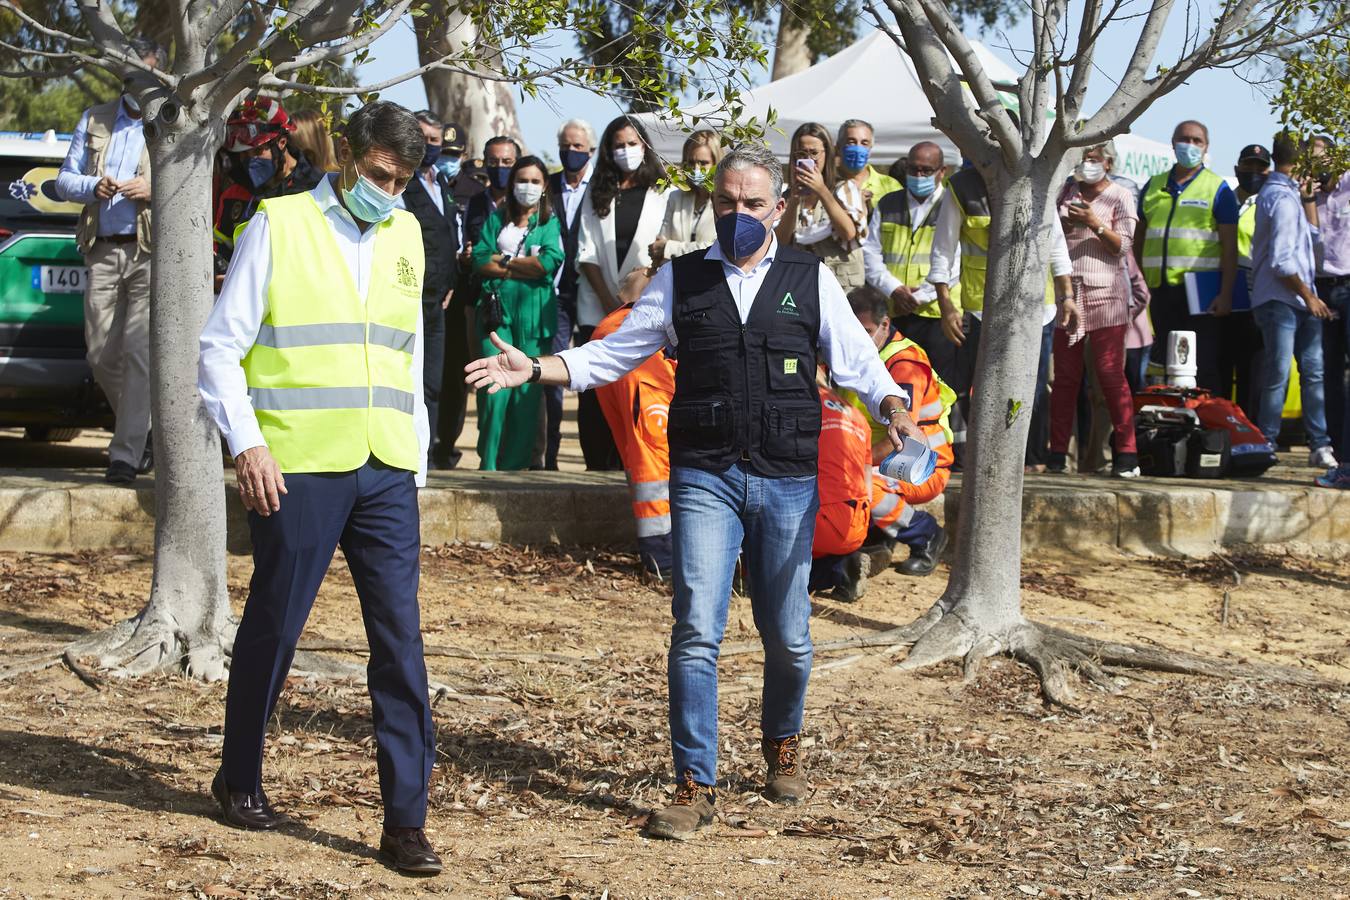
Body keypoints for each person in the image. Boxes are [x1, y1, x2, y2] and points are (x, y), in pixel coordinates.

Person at [465, 144, 922, 840]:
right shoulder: (680, 281)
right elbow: (612, 354)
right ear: (713, 204)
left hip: (788, 477)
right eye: (727, 202)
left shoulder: (810, 276)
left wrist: (894, 407)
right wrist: (539, 367)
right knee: (696, 631)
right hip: (706, 474)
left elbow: (860, 365)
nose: (739, 214)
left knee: (790, 638)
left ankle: (782, 743)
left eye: (752, 203)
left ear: (779, 207)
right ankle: (693, 783)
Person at [197, 101, 441, 875]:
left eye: (402, 182)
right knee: (276, 622)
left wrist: (417, 459)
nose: (389, 191)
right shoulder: (279, 222)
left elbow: (410, 354)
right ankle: (238, 777)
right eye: (378, 176)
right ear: (347, 154)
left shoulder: (407, 232)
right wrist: (249, 444)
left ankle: (405, 821)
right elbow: (219, 347)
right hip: (297, 464)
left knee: (400, 640)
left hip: (385, 468)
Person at [55, 38, 164, 485]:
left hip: (146, 250)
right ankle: (147, 429)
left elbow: (193, 181)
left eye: (151, 73)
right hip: (101, 246)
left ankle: (123, 456)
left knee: (139, 354)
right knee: (99, 353)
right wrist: (91, 188)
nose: (143, 81)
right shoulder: (94, 118)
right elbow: (64, 180)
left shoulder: (168, 121)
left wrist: (151, 188)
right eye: (136, 74)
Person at [928, 153, 1075, 470]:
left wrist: (1067, 295)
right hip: (984, 306)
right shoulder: (961, 188)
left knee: (1033, 387)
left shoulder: (1039, 181)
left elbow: (1056, 242)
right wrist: (945, 305)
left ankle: (1030, 459)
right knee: (985, 386)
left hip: (1038, 305)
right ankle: (991, 456)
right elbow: (942, 250)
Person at [575, 116, 670, 470]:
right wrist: (609, 301)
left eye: (632, 143)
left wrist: (632, 302)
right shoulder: (596, 192)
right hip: (597, 307)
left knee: (635, 388)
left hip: (645, 307)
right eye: (618, 144)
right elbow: (585, 252)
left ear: (645, 146)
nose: (625, 151)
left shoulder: (662, 192)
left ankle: (634, 461)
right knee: (593, 390)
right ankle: (596, 465)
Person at [839, 286, 954, 577]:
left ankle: (925, 534)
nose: (857, 339)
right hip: (880, 456)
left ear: (885, 325)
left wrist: (858, 462)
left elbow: (902, 440)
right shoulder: (853, 351)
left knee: (860, 482)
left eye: (865, 330)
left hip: (922, 463)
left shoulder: (904, 363)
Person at [1049, 141, 1141, 477]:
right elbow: (1052, 235)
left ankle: (1127, 454)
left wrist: (1094, 222)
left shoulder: (1120, 195)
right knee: (1065, 380)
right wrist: (1071, 223)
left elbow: (1124, 247)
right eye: (1083, 158)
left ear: (1108, 161)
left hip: (1107, 297)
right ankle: (1058, 454)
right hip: (1069, 295)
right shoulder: (1065, 191)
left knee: (1110, 375)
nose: (1088, 164)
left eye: (1094, 159)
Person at [1251, 133, 1338, 470]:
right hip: (1282, 300)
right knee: (1279, 373)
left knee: (1312, 373)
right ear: (1300, 161)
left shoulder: (1290, 197)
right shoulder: (1280, 199)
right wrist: (1311, 297)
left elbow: (1312, 249)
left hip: (1297, 300)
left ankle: (1319, 443)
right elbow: (1282, 262)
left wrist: (1309, 202)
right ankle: (1267, 442)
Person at [472, 156, 564, 470]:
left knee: (526, 396)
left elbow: (547, 264)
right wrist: (522, 267)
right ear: (512, 184)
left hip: (536, 319)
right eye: (522, 180)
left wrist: (505, 263)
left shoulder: (549, 221)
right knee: (492, 391)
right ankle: (489, 464)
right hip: (497, 317)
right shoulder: (498, 217)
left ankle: (514, 467)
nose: (528, 187)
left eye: (535, 181)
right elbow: (480, 260)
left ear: (544, 186)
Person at [1135, 120, 1240, 392]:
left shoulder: (1219, 189)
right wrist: (1138, 280)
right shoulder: (1152, 186)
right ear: (1173, 143)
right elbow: (1140, 237)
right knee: (1164, 366)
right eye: (1185, 139)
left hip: (1202, 295)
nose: (1190, 146)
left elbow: (1230, 247)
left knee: (1202, 367)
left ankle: (1205, 430)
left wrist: (1226, 294)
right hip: (1159, 292)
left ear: (1206, 148)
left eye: (1197, 141)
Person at [432, 134, 509, 469]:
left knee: (492, 376)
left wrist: (480, 257)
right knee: (454, 378)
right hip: (460, 298)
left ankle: (501, 454)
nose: (446, 158)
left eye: (452, 152)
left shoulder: (471, 190)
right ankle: (445, 446)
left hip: (492, 298)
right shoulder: (461, 195)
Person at [593, 285, 677, 578]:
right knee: (652, 452)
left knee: (641, 449)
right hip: (641, 346)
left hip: (622, 334)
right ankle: (662, 558)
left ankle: (662, 553)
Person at [862, 140, 960, 388]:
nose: (918, 175)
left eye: (926, 170)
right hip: (894, 309)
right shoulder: (888, 203)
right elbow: (870, 253)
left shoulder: (954, 204)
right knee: (893, 380)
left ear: (942, 171)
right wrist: (894, 289)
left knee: (939, 385)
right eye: (913, 169)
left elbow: (957, 260)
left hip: (937, 314)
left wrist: (922, 296)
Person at [401, 110, 460, 468]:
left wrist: (451, 282)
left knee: (433, 382)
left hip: (438, 301)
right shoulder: (400, 182)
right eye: (422, 138)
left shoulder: (442, 184)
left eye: (435, 141)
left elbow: (448, 238)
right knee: (408, 380)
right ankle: (406, 455)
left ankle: (427, 455)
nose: (428, 147)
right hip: (408, 298)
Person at [214, 98, 324, 283]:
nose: (250, 161)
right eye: (244, 154)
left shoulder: (316, 190)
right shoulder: (234, 195)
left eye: (257, 152)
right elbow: (222, 246)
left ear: (281, 142)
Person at [808, 381, 893, 602]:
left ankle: (839, 567)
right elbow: (868, 489)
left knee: (759, 572)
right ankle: (844, 561)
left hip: (820, 522)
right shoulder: (855, 414)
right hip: (857, 523)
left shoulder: (800, 405)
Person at [543, 118, 596, 470]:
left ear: (590, 150)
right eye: (566, 145)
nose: (570, 151)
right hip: (556, 293)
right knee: (553, 370)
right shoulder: (546, 187)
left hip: (593, 290)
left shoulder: (601, 189)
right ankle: (549, 454)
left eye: (578, 146)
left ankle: (596, 453)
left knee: (594, 371)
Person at [778, 122, 868, 291]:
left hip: (842, 288)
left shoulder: (844, 189)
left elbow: (849, 233)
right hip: (803, 286)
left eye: (814, 153)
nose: (809, 159)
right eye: (802, 153)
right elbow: (781, 242)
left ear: (827, 154)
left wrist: (822, 190)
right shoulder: (787, 195)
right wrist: (795, 200)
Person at [1225, 143, 1273, 419]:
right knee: (1221, 366)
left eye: (1260, 166)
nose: (1253, 171)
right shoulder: (1224, 199)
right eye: (1248, 165)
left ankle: (1249, 434)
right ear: (1237, 168)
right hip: (1225, 295)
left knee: (1253, 375)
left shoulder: (1269, 204)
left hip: (1259, 298)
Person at [1312, 136, 1350, 473]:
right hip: (1319, 290)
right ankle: (1337, 447)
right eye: (1311, 161)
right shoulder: (1306, 194)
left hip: (1349, 285)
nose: (1318, 167)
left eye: (1323, 159)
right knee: (1328, 373)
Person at [650, 130, 721, 266]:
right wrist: (663, 247)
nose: (696, 169)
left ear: (716, 163)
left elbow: (716, 248)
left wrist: (669, 247)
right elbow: (659, 244)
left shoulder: (725, 201)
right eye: (691, 163)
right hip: (676, 278)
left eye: (703, 163)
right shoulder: (676, 197)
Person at [836, 118, 902, 207]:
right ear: (838, 147)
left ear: (870, 150)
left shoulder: (890, 186)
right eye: (851, 142)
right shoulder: (826, 183)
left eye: (864, 143)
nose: (858, 148)